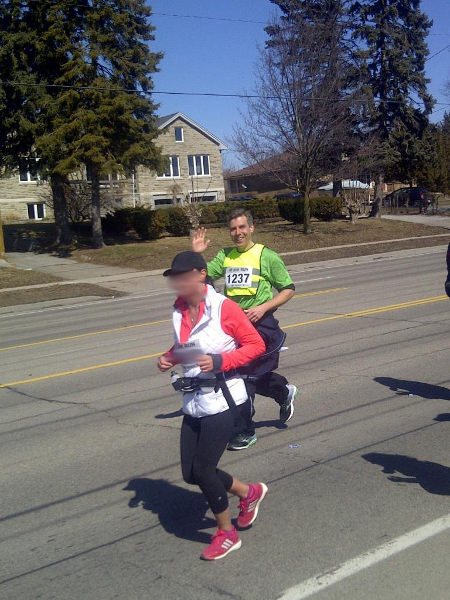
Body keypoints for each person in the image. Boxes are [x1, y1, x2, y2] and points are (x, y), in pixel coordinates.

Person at [158, 250, 268, 561]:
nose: (178, 283)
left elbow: (256, 345)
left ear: (201, 274)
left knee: (204, 470)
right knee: (190, 474)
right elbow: (189, 346)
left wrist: (220, 360)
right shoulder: (179, 309)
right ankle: (250, 493)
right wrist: (171, 356)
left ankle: (226, 533)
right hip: (193, 400)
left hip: (223, 399)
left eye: (183, 276)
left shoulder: (224, 308)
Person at [192, 208, 298, 450]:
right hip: (234, 329)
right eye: (233, 229)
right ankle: (283, 392)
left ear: (251, 228)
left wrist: (263, 307)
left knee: (243, 381)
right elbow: (200, 277)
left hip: (262, 327)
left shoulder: (265, 255)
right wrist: (197, 255)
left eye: (242, 227)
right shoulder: (226, 256)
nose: (237, 233)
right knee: (244, 378)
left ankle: (245, 432)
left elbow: (288, 288)